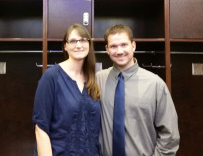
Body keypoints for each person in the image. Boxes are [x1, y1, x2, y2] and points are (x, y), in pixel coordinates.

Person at [96, 24, 180, 156]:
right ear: (107, 49)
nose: (119, 51)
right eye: (113, 46)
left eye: (124, 45)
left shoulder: (155, 84)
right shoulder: (97, 81)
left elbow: (169, 135)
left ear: (133, 46)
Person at [32, 23, 101, 156]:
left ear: (89, 44)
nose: (78, 45)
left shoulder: (94, 79)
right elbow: (41, 128)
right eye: (73, 41)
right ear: (65, 46)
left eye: (83, 40)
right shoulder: (52, 76)